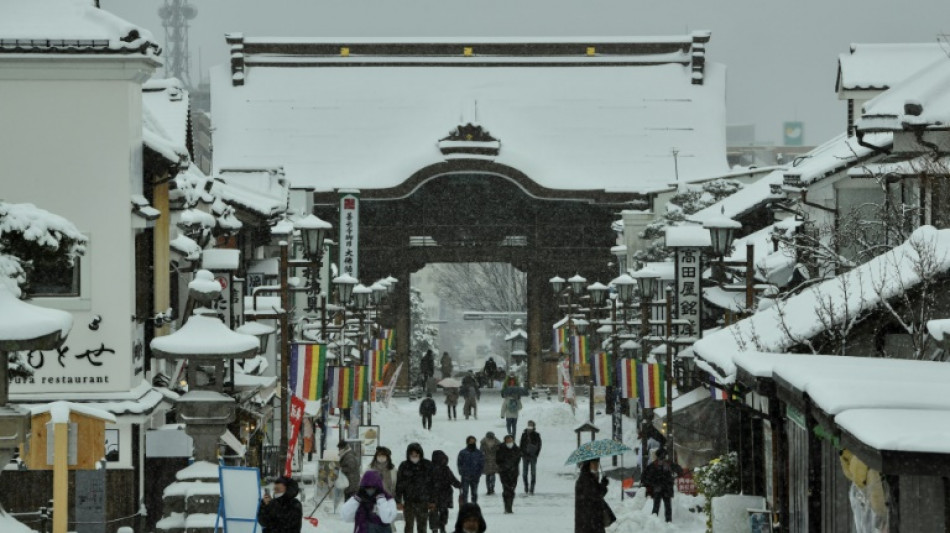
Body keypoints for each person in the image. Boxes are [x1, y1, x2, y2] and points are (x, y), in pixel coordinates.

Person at [395, 443, 435, 533]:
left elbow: (432, 485)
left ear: (420, 454)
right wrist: (398, 501)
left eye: (416, 455)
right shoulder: (404, 466)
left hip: (423, 502)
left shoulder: (427, 465)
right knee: (408, 526)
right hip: (409, 502)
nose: (414, 457)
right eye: (412, 455)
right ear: (408, 455)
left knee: (422, 526)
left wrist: (432, 501)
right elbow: (399, 485)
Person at [642, 448, 683, 523]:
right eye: (664, 455)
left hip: (659, 488)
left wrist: (652, 483)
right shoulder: (668, 464)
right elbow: (679, 470)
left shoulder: (654, 465)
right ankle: (668, 522)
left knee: (657, 507)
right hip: (666, 488)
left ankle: (654, 522)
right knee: (666, 507)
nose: (664, 457)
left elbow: (645, 477)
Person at [574, 459, 612, 533]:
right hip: (589, 520)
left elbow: (595, 493)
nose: (597, 465)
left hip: (589, 520)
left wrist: (600, 483)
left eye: (597, 463)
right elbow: (596, 494)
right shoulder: (586, 478)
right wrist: (603, 484)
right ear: (589, 464)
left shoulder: (587, 476)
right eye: (594, 463)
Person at [430, 450, 462, 533]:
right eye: (442, 458)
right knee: (435, 512)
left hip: (443, 494)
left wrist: (459, 485)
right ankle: (436, 528)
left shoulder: (445, 469)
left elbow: (452, 479)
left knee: (442, 512)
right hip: (435, 495)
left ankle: (441, 527)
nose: (444, 460)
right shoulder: (430, 469)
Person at [495, 434, 521, 514]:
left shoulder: (516, 449)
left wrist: (512, 466)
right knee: (506, 490)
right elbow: (498, 460)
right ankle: (507, 507)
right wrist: (505, 465)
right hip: (504, 472)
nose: (509, 442)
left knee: (512, 490)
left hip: (514, 472)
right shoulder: (501, 449)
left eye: (511, 440)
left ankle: (510, 506)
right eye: (508, 440)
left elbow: (518, 459)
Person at [456, 436, 485, 504]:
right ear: (467, 442)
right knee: (465, 493)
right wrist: (461, 472)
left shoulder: (479, 452)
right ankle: (465, 506)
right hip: (465, 476)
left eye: (474, 441)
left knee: (474, 493)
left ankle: (474, 505)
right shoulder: (463, 452)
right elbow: (459, 463)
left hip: (475, 476)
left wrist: (479, 473)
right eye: (471, 441)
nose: (472, 442)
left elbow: (482, 463)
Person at [519, 420, 542, 494]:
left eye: (531, 425)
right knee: (524, 473)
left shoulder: (536, 435)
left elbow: (539, 445)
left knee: (533, 473)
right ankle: (526, 486)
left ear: (534, 427)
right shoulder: (524, 434)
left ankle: (532, 489)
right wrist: (522, 453)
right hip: (525, 456)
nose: (529, 427)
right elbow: (521, 444)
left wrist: (536, 454)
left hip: (533, 456)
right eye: (528, 425)